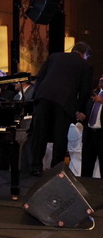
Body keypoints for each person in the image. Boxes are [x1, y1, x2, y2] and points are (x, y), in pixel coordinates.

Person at [30, 42, 93, 177]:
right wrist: (79, 110)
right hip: (64, 102)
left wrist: (36, 98)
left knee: (40, 133)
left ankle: (35, 166)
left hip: (44, 97)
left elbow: (40, 77)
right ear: (85, 54)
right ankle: (56, 169)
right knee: (60, 136)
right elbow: (84, 91)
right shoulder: (84, 65)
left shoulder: (54, 56)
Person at [82, 74, 103, 177]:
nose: (101, 79)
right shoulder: (94, 94)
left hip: (101, 134)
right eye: (101, 78)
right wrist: (82, 116)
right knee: (86, 168)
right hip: (89, 134)